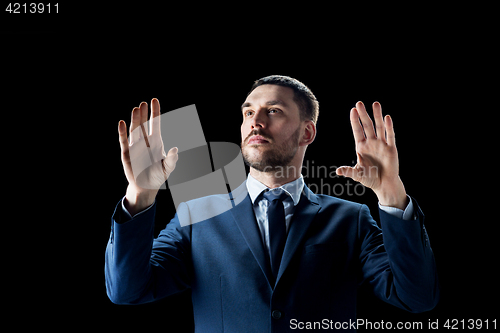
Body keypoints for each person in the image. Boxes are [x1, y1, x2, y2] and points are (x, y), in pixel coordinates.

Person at [105, 75, 439, 332]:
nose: (255, 121)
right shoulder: (196, 214)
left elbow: (417, 297)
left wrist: (391, 194)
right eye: (248, 111)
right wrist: (141, 196)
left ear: (307, 133)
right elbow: (128, 291)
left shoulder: (350, 218)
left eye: (273, 111)